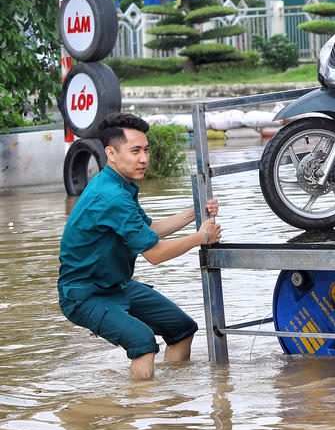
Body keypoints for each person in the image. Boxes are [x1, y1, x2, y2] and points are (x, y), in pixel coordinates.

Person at [58, 113, 221, 380]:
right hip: (85, 295)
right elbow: (154, 255)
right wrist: (202, 237)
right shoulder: (111, 196)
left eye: (146, 150)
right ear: (111, 153)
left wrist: (195, 213)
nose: (144, 158)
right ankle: (141, 411)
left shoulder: (120, 185)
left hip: (117, 284)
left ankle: (171, 398)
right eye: (135, 151)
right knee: (142, 342)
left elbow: (150, 230)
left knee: (181, 328)